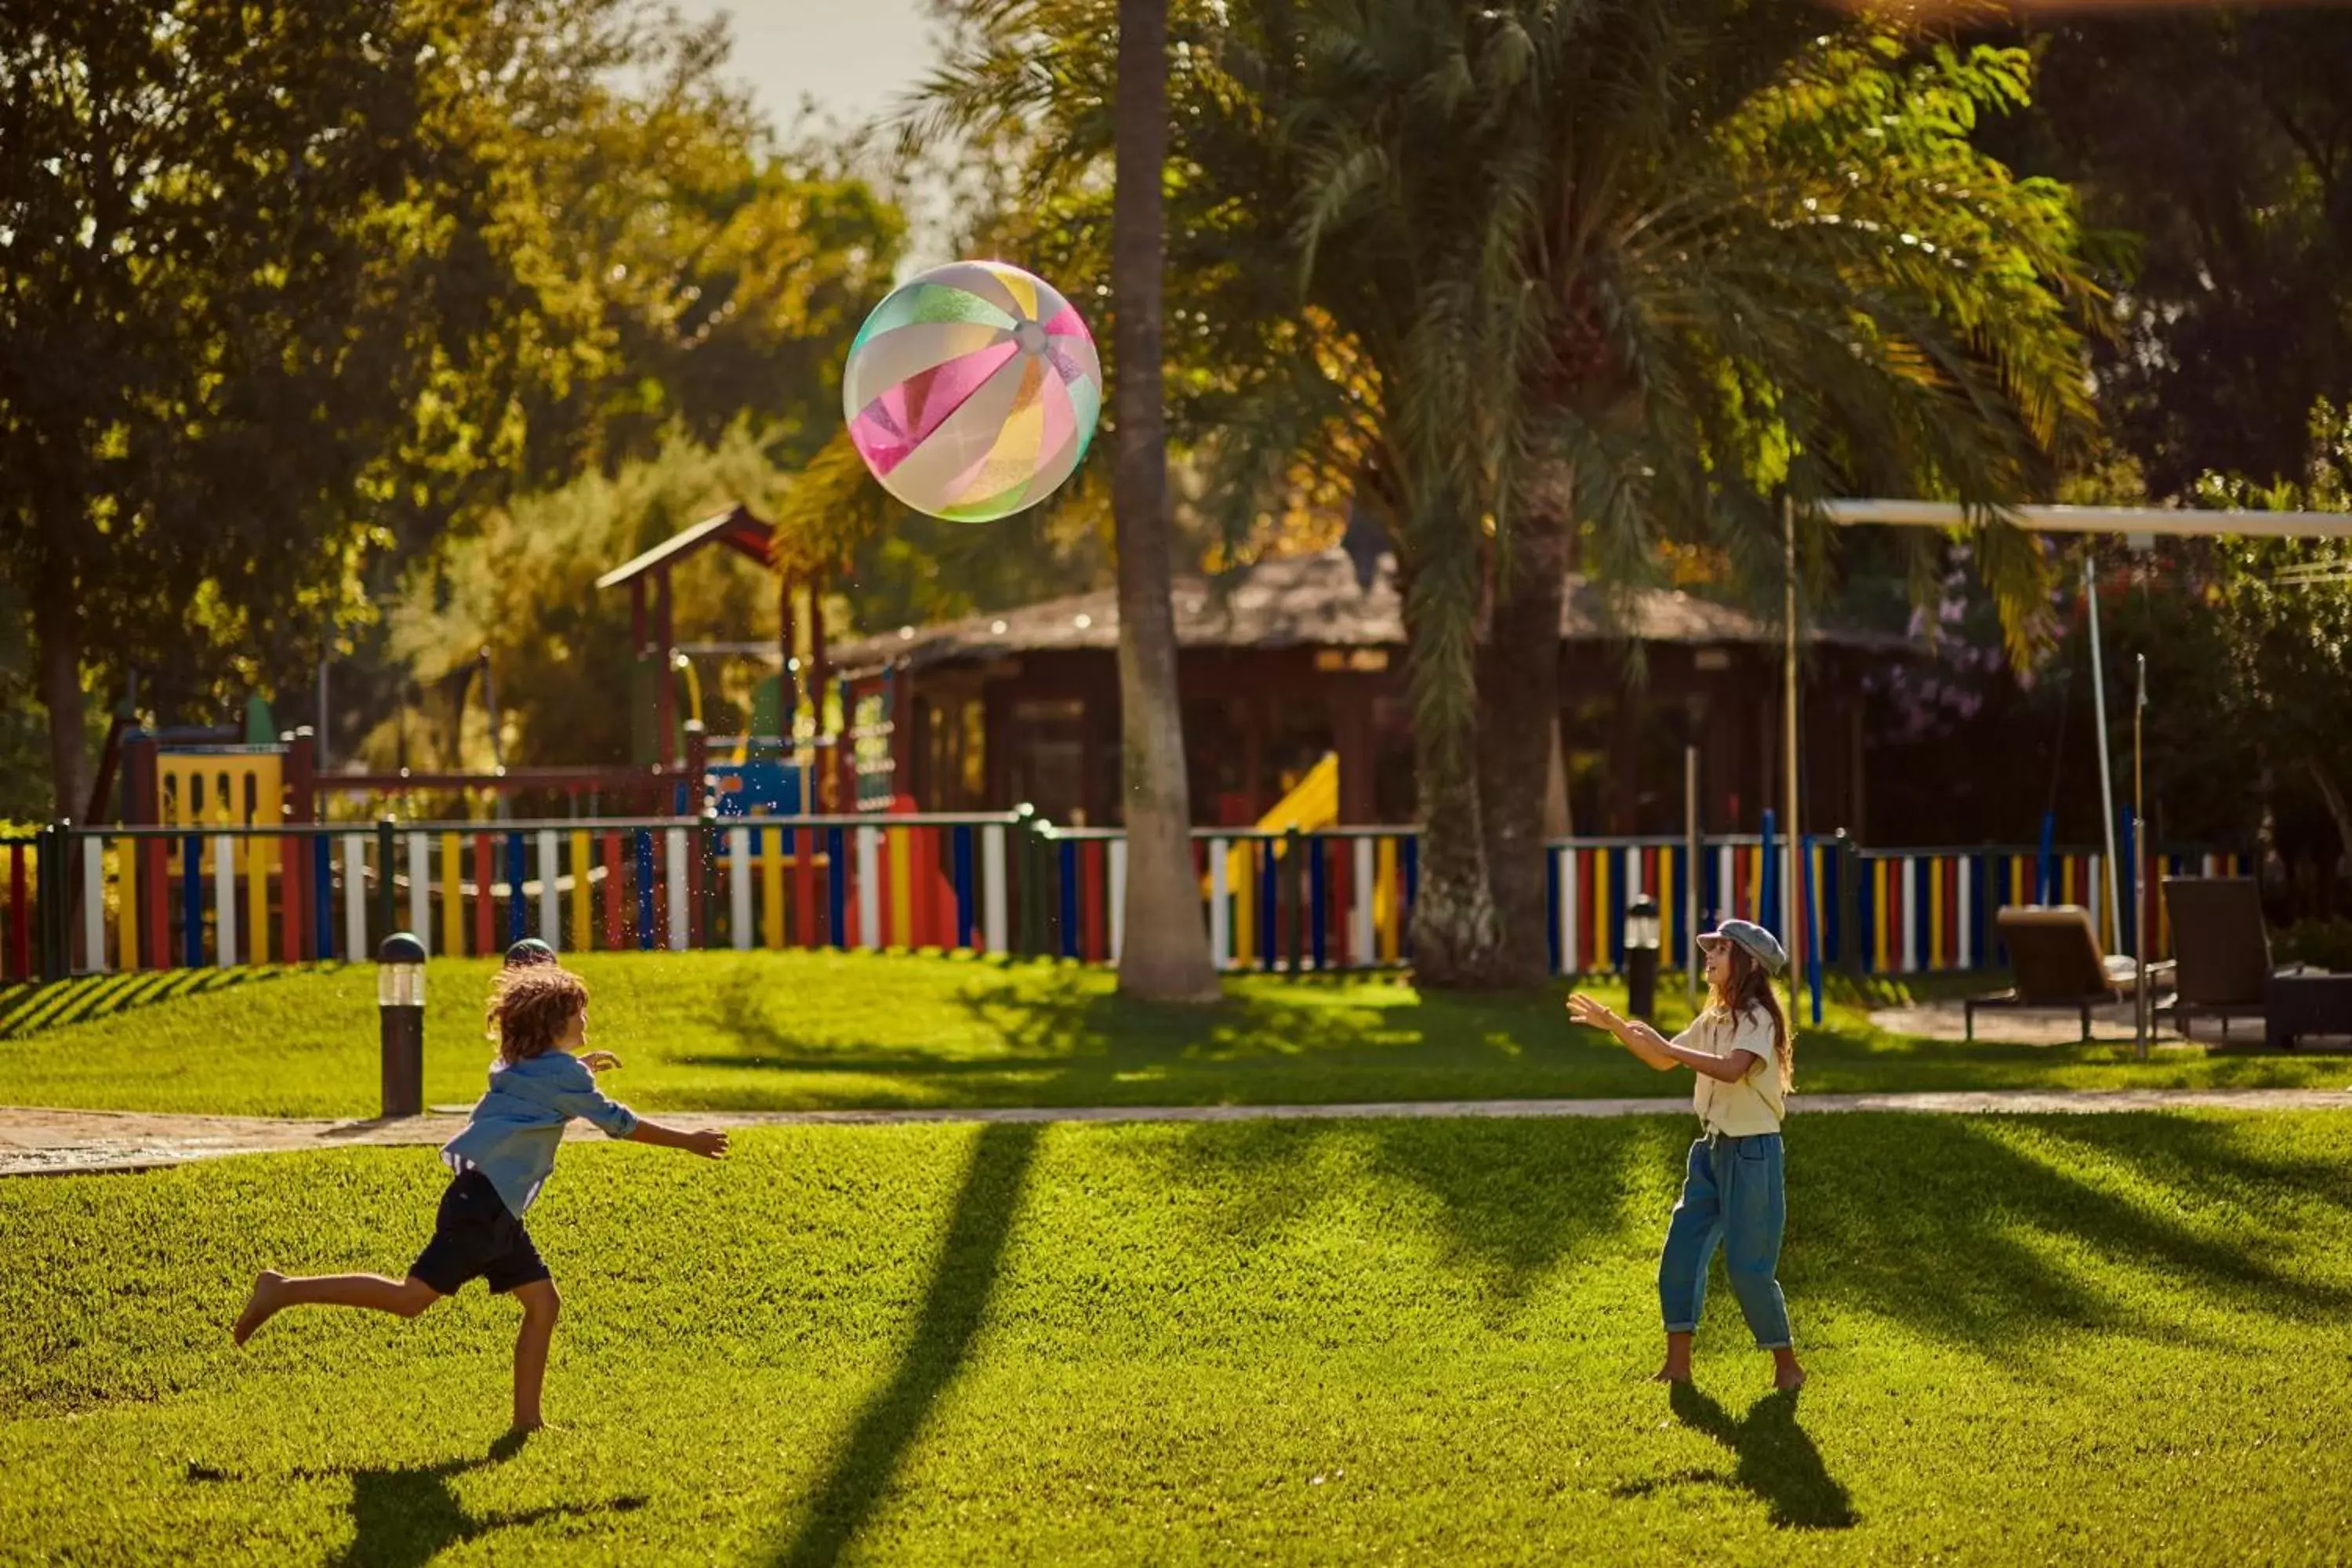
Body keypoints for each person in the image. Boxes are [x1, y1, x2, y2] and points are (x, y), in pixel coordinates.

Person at [231, 964, 730, 1432]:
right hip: (484, 1208)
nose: (586, 1018)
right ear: (556, 1023)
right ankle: (284, 1290)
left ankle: (527, 1422)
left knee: (542, 1304)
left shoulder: (526, 1066)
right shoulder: (560, 1076)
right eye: (580, 1011)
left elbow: (548, 1086)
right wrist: (689, 1140)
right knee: (410, 1300)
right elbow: (617, 1122)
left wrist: (575, 1068)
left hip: (493, 1206)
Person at [1566, 919, 1805, 1393]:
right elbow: (1662, 1059)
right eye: (1709, 948)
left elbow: (1734, 1070)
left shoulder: (1757, 1018)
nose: (1710, 956)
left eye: (1720, 949)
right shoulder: (1713, 1018)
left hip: (1753, 1154)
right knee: (1680, 1253)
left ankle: (1787, 1366)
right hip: (1712, 1149)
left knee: (1747, 1268)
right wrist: (1615, 1024)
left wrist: (1665, 1045)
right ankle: (1678, 1366)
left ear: (1749, 962)